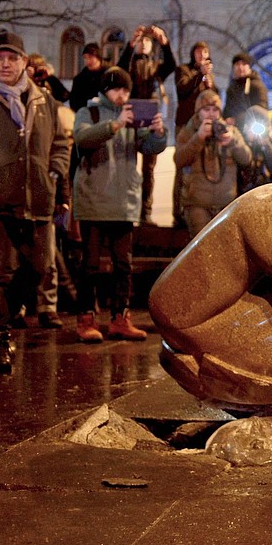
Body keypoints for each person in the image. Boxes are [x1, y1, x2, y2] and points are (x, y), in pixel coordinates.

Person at [72, 67, 167, 342]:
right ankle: (86, 319)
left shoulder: (131, 116)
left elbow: (148, 147)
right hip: (93, 200)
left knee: (123, 265)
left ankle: (119, 318)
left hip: (124, 201)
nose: (121, 95)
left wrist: (159, 133)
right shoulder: (87, 113)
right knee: (90, 265)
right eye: (117, 89)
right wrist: (114, 125)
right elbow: (82, 138)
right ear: (104, 90)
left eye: (125, 90)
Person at [0, 30, 71, 371]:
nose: (5, 65)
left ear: (25, 62)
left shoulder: (45, 101)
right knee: (0, 274)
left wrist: (56, 176)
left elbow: (60, 143)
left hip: (38, 197)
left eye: (12, 58)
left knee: (38, 268)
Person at [117, 24, 177, 225]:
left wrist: (164, 42)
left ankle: (146, 212)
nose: (143, 44)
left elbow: (171, 65)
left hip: (150, 115)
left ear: (152, 46)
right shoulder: (130, 64)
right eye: (140, 41)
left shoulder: (157, 65)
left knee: (149, 169)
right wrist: (130, 43)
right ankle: (128, 209)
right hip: (131, 114)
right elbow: (119, 67)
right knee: (128, 164)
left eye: (147, 41)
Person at [175, 89, 252, 236]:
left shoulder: (230, 131)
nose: (211, 114)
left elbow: (246, 158)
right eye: (206, 110)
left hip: (226, 204)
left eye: (215, 110)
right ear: (198, 112)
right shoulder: (188, 132)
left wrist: (232, 143)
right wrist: (198, 138)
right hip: (197, 204)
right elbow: (179, 160)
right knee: (202, 249)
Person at [172, 41, 217, 227]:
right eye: (198, 52)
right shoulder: (184, 70)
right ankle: (178, 211)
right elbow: (183, 89)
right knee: (183, 168)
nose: (201, 55)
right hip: (185, 125)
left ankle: (200, 208)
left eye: (205, 52)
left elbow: (212, 97)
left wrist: (209, 81)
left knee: (202, 168)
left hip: (204, 126)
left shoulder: (208, 75)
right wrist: (200, 74)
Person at [237, 104, 272, 194]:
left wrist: (266, 145)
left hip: (268, 192)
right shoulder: (240, 143)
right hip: (243, 194)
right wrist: (249, 143)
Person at [222, 52, 269, 124]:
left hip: (252, 126)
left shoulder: (257, 85)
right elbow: (227, 110)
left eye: (244, 64)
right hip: (233, 128)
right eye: (237, 64)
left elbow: (261, 108)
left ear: (249, 67)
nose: (240, 67)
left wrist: (237, 120)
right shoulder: (231, 89)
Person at [70, 43, 113, 112]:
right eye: (85, 57)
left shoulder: (111, 75)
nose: (87, 61)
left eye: (90, 57)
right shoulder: (80, 79)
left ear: (98, 57)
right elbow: (74, 102)